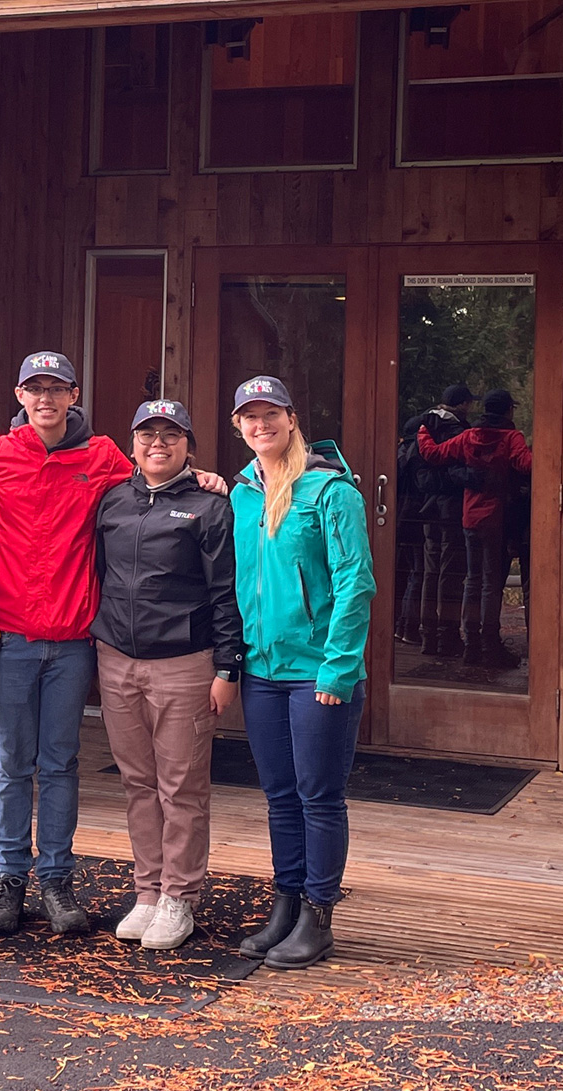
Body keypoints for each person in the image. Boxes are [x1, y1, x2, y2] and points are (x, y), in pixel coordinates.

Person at [0, 351, 134, 937]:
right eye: (34, 389)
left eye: (56, 389)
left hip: (72, 639)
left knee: (59, 763)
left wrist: (207, 479)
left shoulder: (102, 456)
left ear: (73, 395)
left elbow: (152, 489)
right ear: (19, 395)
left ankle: (57, 879)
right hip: (9, 634)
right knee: (11, 762)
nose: (45, 399)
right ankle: (9, 877)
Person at [226, 375, 373, 970]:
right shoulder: (239, 493)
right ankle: (285, 902)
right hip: (262, 668)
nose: (261, 426)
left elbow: (355, 583)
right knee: (279, 796)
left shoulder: (331, 491)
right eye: (249, 417)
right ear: (238, 425)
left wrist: (338, 670)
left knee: (318, 796)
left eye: (270, 415)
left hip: (318, 672)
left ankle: (318, 913)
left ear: (291, 418)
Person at [93, 399, 243, 950]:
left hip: (184, 662)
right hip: (116, 659)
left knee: (181, 785)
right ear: (132, 442)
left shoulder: (209, 507)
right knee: (137, 782)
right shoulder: (112, 500)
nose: (159, 442)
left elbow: (225, 592)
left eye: (171, 434)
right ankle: (148, 890)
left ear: (189, 445)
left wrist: (228, 666)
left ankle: (181, 894)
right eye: (148, 433)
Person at [416, 389, 533, 670]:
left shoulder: (470, 436)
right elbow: (528, 465)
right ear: (508, 411)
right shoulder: (511, 437)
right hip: (497, 518)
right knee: (491, 583)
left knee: (472, 580)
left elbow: (433, 453)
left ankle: (470, 645)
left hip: (470, 517)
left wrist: (422, 430)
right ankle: (489, 644)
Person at [394, 385, 476, 658]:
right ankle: (447, 635)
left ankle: (427, 634)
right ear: (463, 405)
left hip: (422, 510)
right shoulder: (459, 432)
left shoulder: (420, 428)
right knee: (450, 574)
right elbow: (461, 470)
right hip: (451, 509)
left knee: (429, 572)